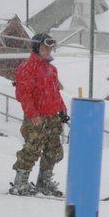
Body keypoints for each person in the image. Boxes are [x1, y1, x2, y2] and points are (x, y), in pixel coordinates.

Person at [10, 33, 68, 196]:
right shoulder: (27, 67)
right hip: (37, 117)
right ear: (36, 47)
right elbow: (24, 94)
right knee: (32, 149)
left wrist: (62, 110)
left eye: (50, 47)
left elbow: (55, 93)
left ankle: (44, 182)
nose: (48, 50)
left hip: (52, 116)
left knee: (54, 150)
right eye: (44, 47)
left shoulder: (52, 69)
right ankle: (20, 182)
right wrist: (33, 115)